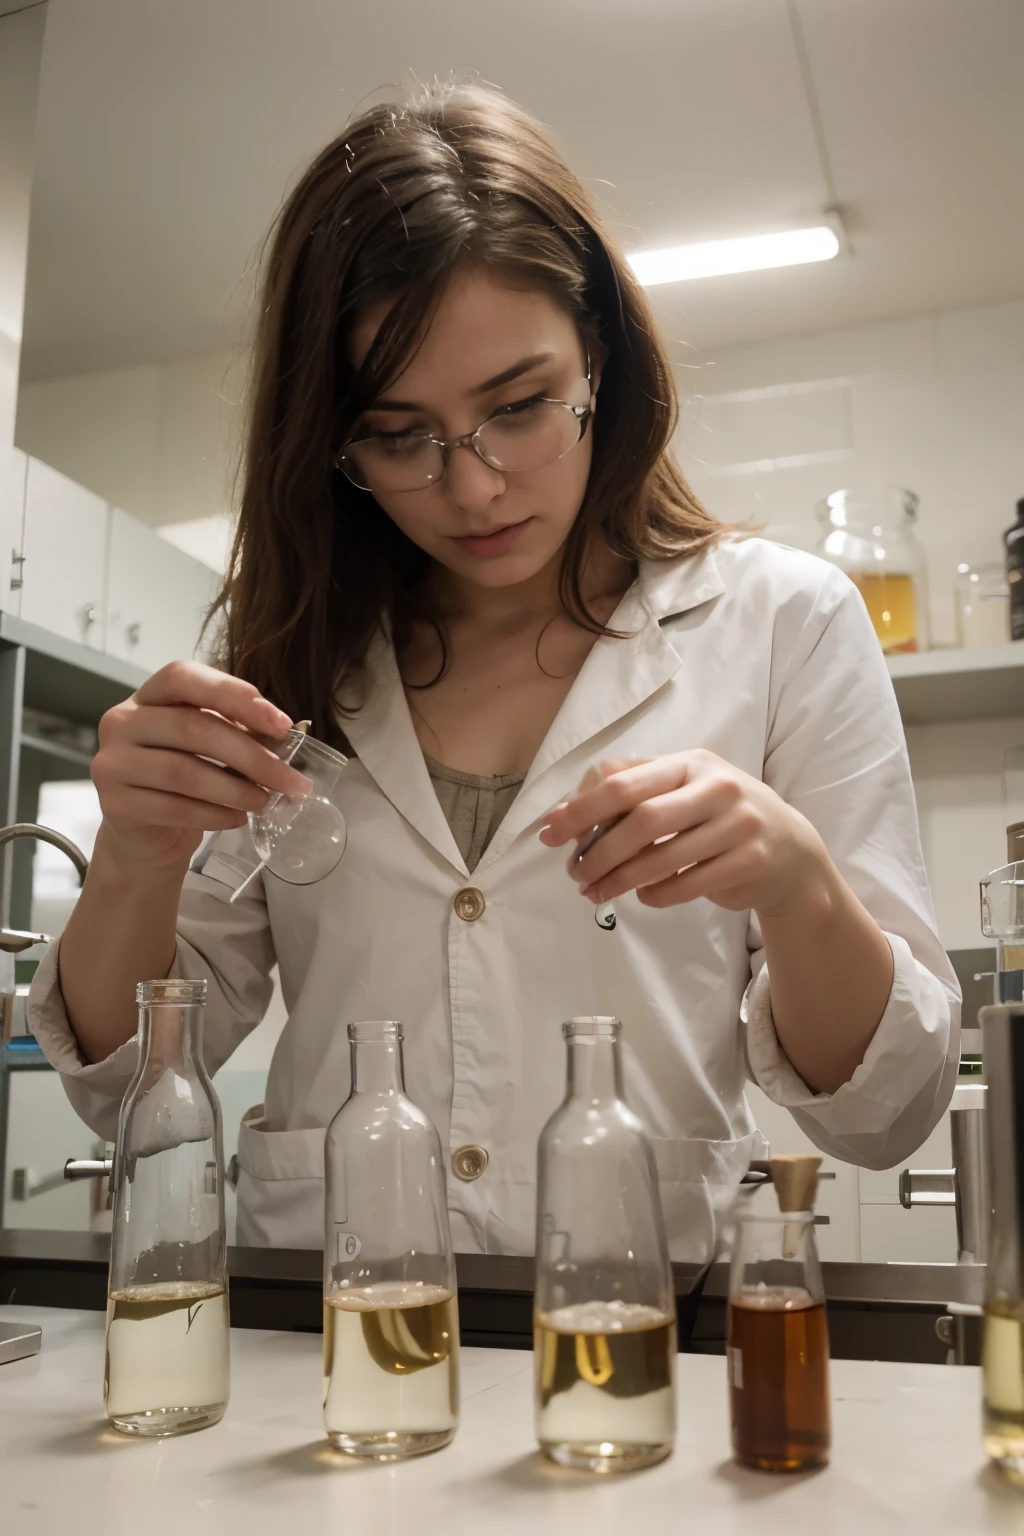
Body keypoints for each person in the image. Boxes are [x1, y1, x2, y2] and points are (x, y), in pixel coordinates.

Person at [30, 83, 959, 1256]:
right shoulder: (285, 657)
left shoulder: (783, 623)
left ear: (600, 361)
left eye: (517, 407)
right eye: (396, 434)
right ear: (328, 435)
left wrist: (798, 884)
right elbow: (127, 1092)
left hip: (635, 1320)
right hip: (326, 1320)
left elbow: (887, 1111)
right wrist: (131, 860)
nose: (470, 487)